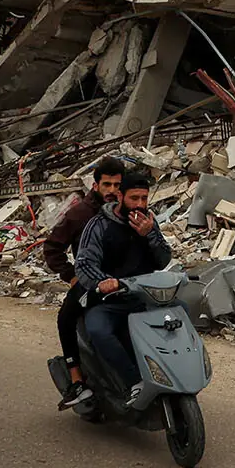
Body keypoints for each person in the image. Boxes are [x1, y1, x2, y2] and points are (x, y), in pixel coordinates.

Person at [74, 170, 172, 409]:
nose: (140, 204)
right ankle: (133, 382)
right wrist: (104, 282)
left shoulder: (148, 221)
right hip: (110, 300)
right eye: (134, 198)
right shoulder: (99, 225)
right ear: (120, 196)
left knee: (180, 316)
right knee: (99, 330)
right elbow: (84, 263)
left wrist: (149, 236)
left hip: (144, 297)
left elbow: (163, 260)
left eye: (144, 198)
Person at [42, 156, 126, 408]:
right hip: (89, 284)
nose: (112, 190)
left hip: (124, 283)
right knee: (65, 318)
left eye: (116, 185)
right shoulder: (81, 214)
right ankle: (77, 381)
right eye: (107, 185)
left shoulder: (127, 211)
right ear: (96, 185)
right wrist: (72, 277)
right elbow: (52, 248)